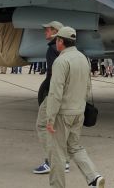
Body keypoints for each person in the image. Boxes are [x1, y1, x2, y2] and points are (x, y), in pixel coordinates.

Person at [45, 27, 104, 187]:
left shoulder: (61, 61)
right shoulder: (83, 58)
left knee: (56, 153)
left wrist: (50, 117)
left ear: (61, 42)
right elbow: (87, 87)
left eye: (57, 39)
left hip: (63, 114)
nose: (55, 42)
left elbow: (55, 93)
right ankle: (94, 178)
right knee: (75, 147)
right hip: (79, 111)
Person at [34, 21, 67, 175]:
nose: (44, 32)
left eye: (47, 30)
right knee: (58, 128)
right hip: (67, 94)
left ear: (55, 32)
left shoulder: (52, 50)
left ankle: (51, 161)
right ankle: (63, 161)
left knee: (42, 125)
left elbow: (56, 75)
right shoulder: (69, 50)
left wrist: (51, 94)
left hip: (54, 94)